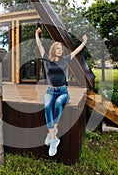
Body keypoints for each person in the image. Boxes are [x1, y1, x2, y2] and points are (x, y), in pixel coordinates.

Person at [35, 27, 87, 156]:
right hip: (50, 91)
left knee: (58, 103)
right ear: (53, 50)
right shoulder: (46, 59)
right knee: (47, 106)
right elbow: (40, 46)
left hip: (63, 92)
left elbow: (76, 51)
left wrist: (84, 42)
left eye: (61, 49)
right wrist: (37, 34)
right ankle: (53, 139)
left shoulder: (65, 60)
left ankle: (52, 134)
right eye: (58, 48)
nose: (60, 50)